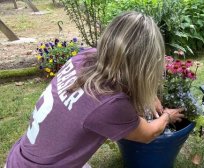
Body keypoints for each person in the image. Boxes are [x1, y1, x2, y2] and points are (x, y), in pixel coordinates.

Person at [5, 12, 184, 168]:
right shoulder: (110, 103)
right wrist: (167, 116)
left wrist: (150, 96)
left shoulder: (84, 57)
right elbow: (148, 134)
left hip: (22, 158)